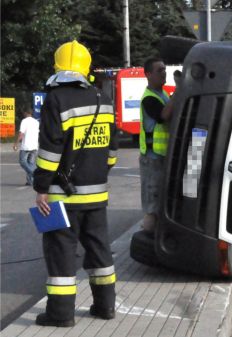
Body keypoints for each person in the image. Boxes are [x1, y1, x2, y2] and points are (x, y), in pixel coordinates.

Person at [33, 40, 118, 327]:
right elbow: (112, 152)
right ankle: (105, 306)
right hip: (96, 195)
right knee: (99, 251)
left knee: (61, 253)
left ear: (58, 66)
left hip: (61, 196)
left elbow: (49, 152)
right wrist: (97, 173)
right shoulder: (101, 97)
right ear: (86, 66)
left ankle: (60, 315)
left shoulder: (56, 99)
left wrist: (41, 187)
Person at [139, 57, 174, 233]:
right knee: (152, 207)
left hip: (162, 157)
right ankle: (149, 238)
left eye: (164, 69)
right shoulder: (149, 98)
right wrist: (182, 89)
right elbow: (163, 116)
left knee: (160, 203)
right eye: (159, 70)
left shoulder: (164, 94)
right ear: (148, 74)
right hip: (152, 160)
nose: (164, 73)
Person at [13, 110, 39, 185]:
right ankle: (30, 181)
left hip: (26, 146)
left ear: (25, 113)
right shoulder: (36, 122)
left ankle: (34, 175)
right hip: (34, 145)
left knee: (22, 162)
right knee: (31, 163)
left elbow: (21, 134)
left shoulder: (24, 121)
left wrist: (16, 144)